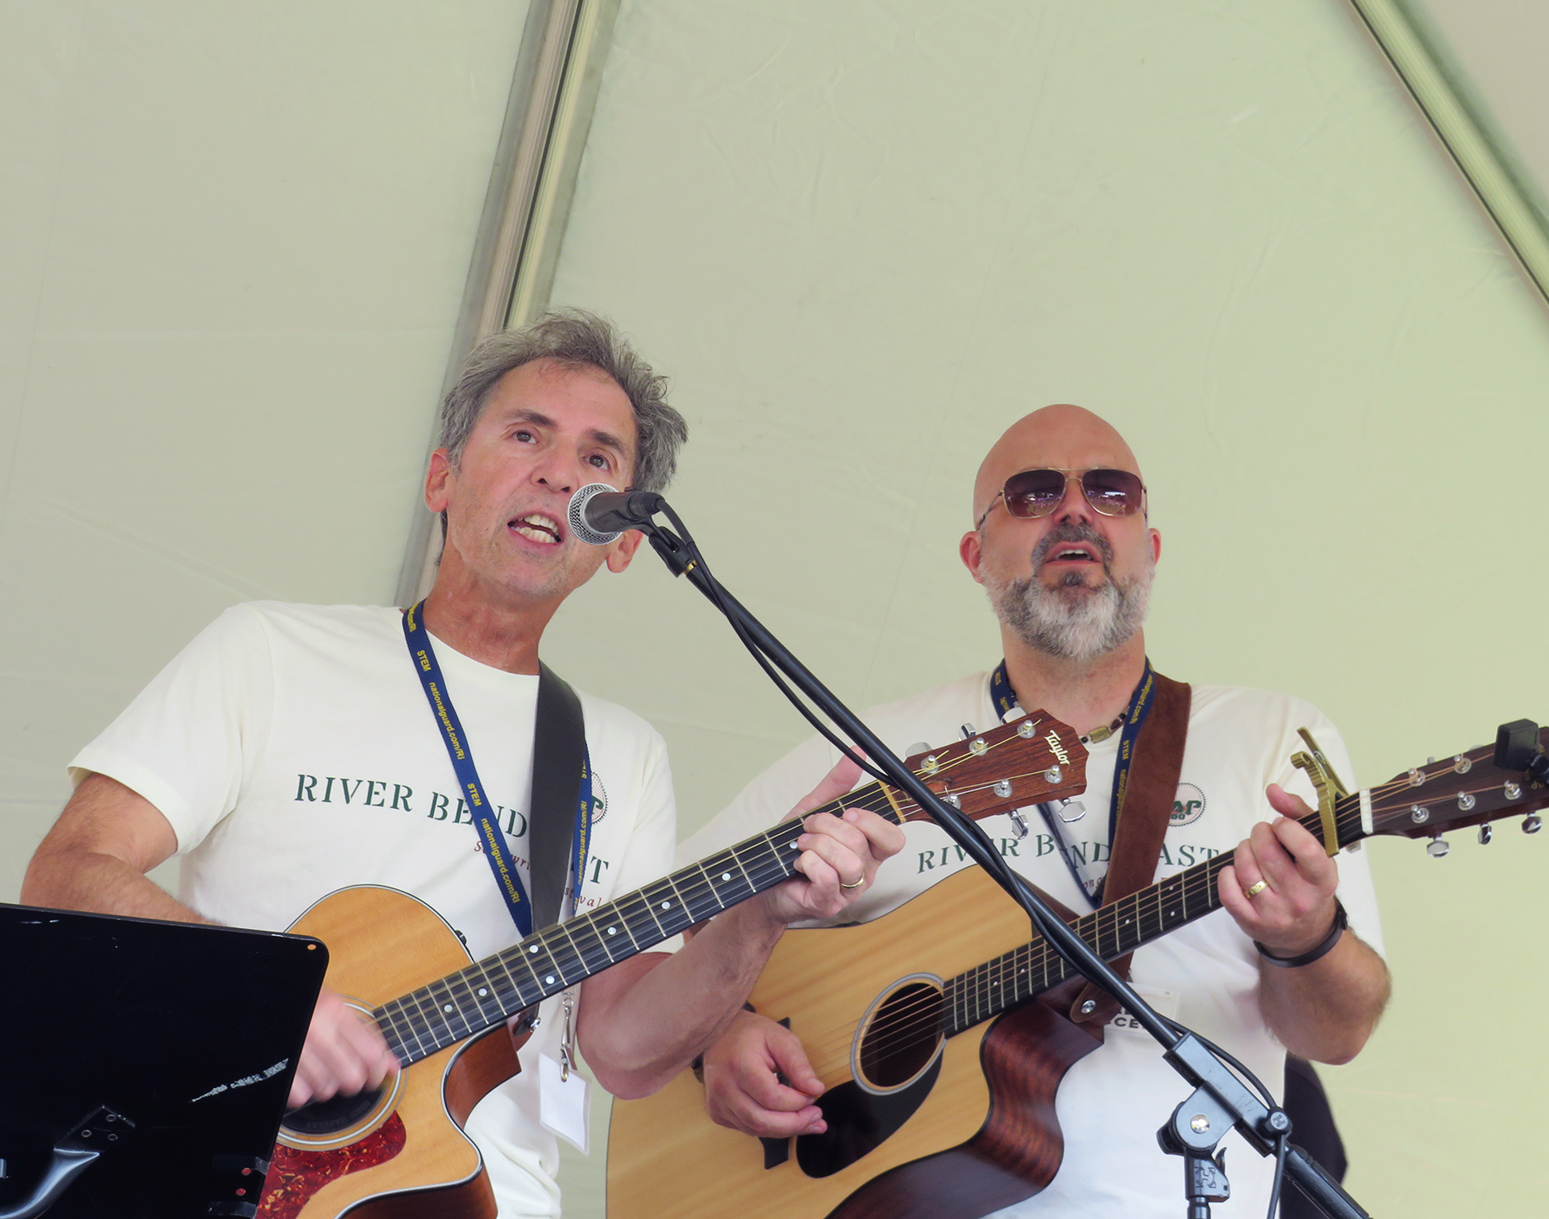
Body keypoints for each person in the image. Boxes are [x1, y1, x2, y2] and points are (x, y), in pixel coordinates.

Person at [20, 311, 903, 1218]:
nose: (561, 472)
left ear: (627, 539)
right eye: (527, 435)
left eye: (600, 461)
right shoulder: (271, 652)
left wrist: (760, 913)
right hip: (223, 1176)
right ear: (442, 476)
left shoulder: (625, 754)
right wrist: (266, 1004)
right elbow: (70, 869)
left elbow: (624, 1053)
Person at [678, 403, 1390, 1218]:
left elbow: (1338, 1036)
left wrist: (1307, 937)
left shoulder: (1271, 737)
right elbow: (661, 927)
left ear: (1150, 547)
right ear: (976, 555)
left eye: (1113, 493)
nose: (1077, 510)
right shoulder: (874, 749)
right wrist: (718, 1031)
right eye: (1034, 493)